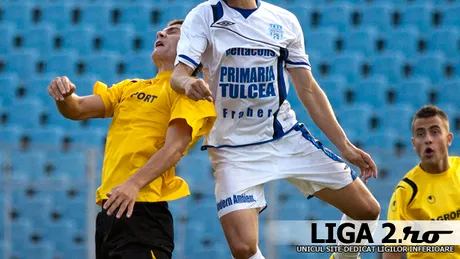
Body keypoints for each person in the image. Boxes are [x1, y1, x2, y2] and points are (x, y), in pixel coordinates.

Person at [170, 1, 380, 259]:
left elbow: (308, 89)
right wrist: (189, 82)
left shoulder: (284, 20)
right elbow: (177, 76)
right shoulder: (204, 14)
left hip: (285, 138)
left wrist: (345, 146)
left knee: (367, 210)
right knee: (243, 248)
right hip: (233, 150)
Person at [47, 19, 216, 259]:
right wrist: (63, 95)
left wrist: (133, 184)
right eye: (163, 30)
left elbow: (176, 147)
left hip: (143, 210)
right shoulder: (130, 87)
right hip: (110, 209)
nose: (161, 32)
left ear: (192, 45)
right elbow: (79, 109)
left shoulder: (189, 92)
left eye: (173, 31)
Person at [384, 105, 460, 259]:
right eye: (420, 134)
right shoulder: (405, 192)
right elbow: (392, 252)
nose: (427, 139)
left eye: (435, 132)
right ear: (413, 144)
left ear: (449, 139)